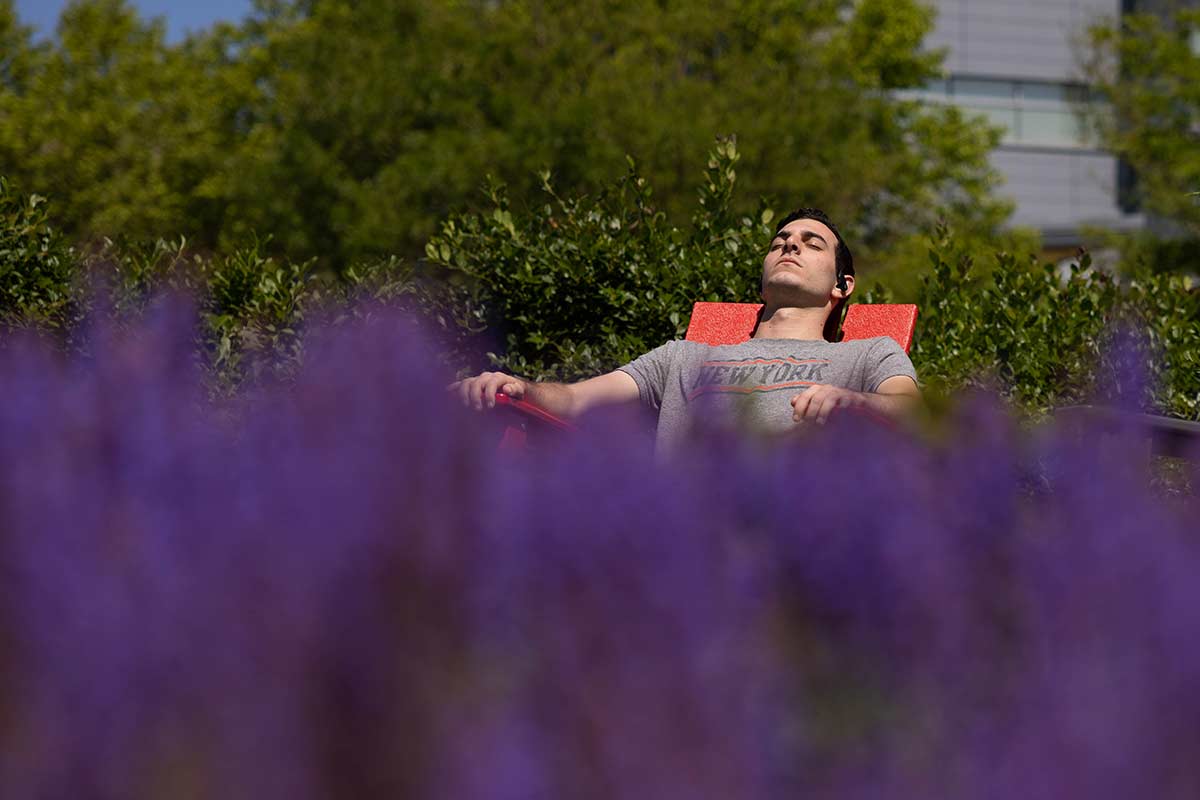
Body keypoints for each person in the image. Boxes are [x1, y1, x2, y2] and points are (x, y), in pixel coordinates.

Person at [451, 207, 920, 450]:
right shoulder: (684, 357)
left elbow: (915, 414)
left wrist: (855, 402)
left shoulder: (867, 354)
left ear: (842, 284)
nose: (789, 246)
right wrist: (518, 389)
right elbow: (575, 400)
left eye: (810, 243)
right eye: (780, 241)